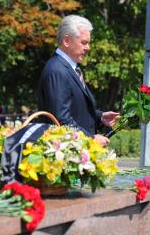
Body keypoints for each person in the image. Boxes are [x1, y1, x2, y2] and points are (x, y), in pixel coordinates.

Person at [37, 15, 119, 146]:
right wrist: (90, 138)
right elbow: (61, 120)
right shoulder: (57, 70)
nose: (88, 48)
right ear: (67, 41)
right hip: (65, 157)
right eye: (84, 42)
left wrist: (99, 116)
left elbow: (74, 109)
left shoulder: (69, 68)